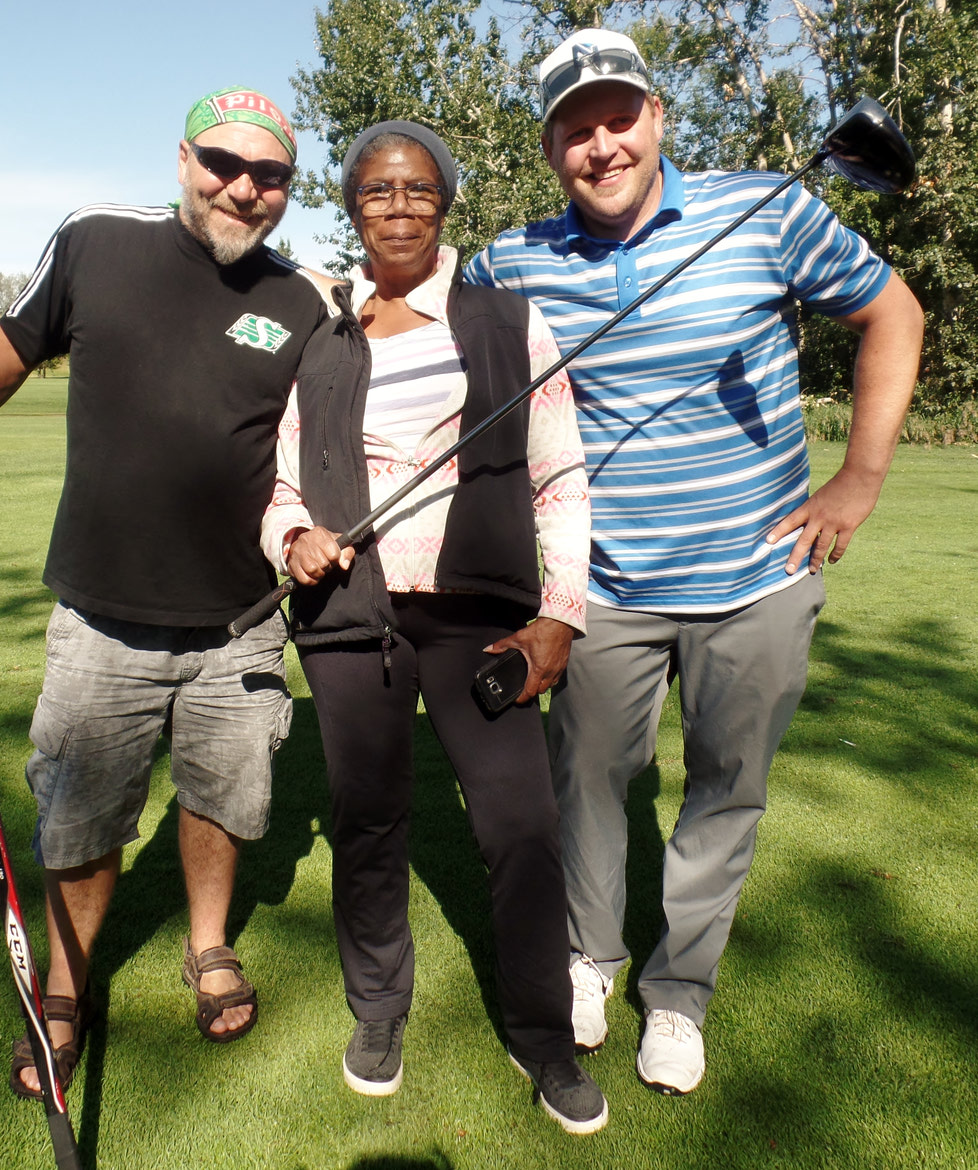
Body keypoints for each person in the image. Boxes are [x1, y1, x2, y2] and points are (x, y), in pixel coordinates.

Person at [466, 29, 924, 1095]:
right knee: (586, 780)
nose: (603, 145)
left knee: (725, 789)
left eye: (619, 117)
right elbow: (431, 334)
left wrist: (860, 476)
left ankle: (677, 994)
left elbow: (893, 313)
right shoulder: (512, 263)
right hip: (604, 588)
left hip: (757, 580)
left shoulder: (765, 209)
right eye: (576, 129)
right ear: (550, 148)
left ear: (658, 116)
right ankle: (590, 956)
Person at [0, 86, 332, 1097]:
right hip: (101, 619)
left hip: (242, 621)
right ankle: (65, 986)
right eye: (223, 163)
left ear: (288, 189)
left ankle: (208, 945)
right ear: (183, 160)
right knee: (80, 819)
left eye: (270, 175)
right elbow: (7, 351)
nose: (244, 188)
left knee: (224, 801)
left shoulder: (301, 299)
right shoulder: (97, 240)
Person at [259, 120, 605, 1134]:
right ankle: (378, 1010)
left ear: (445, 202)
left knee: (520, 824)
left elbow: (560, 474)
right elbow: (281, 479)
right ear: (353, 206)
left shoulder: (506, 320)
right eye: (377, 190)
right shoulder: (323, 334)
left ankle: (543, 1035)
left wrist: (560, 615)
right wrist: (293, 539)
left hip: (478, 618)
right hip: (350, 615)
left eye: (418, 189)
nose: (399, 207)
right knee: (368, 821)